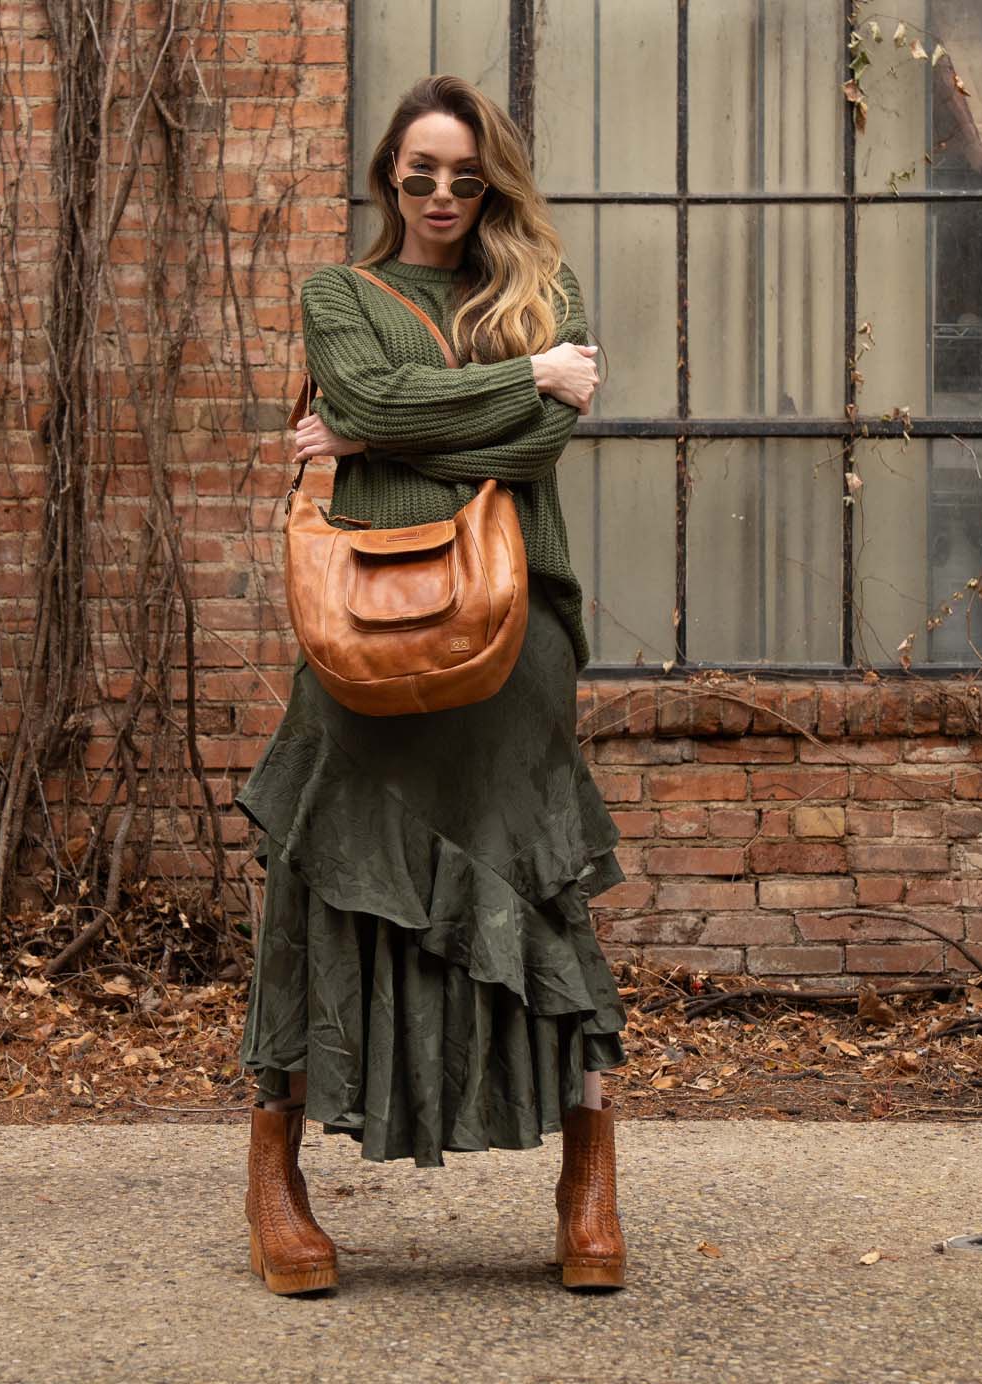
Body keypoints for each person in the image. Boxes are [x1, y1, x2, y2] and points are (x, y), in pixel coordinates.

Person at [232, 73, 629, 1295]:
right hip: (358, 630)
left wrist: (378, 436)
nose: (444, 194)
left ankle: (589, 1177)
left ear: (493, 179)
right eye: (421, 173)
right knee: (324, 882)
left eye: (467, 174)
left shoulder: (539, 291)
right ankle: (274, 1180)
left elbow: (534, 447)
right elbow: (363, 392)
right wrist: (506, 386)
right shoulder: (339, 294)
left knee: (537, 879)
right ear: (387, 178)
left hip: (517, 636)